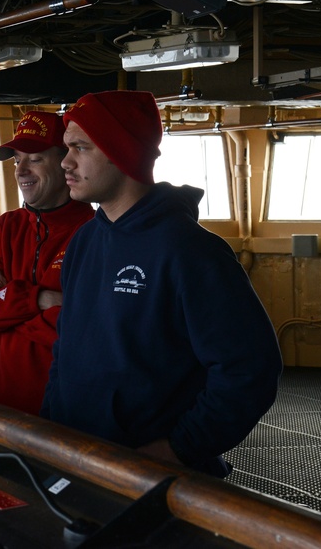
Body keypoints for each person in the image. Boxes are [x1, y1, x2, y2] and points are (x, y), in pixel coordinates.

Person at [42, 90, 282, 477]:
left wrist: (181, 448)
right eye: (67, 148)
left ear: (121, 152)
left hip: (152, 471)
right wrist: (51, 424)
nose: (65, 163)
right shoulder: (85, 241)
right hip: (77, 456)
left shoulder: (190, 250)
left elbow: (249, 368)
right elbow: (67, 350)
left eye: (80, 148)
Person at [0, 111, 94, 415]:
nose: (20, 170)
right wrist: (40, 298)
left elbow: (74, 329)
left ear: (66, 163)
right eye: (16, 160)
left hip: (63, 413)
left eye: (33, 159)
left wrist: (6, 300)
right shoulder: (6, 227)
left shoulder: (91, 233)